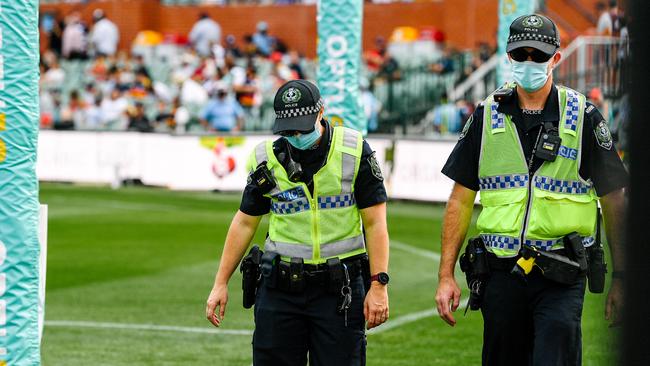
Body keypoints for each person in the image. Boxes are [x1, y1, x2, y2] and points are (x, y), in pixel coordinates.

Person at [434, 14, 627, 365]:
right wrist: (445, 275)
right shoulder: (485, 115)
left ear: (555, 58)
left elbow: (614, 200)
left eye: (538, 55)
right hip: (500, 276)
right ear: (508, 56)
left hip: (561, 273)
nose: (528, 62)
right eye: (520, 54)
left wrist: (624, 276)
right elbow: (460, 201)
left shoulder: (584, 116)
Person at [205, 79, 390, 365]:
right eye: (288, 129)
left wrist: (379, 285)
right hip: (279, 291)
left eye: (301, 127)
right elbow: (244, 222)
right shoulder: (265, 159)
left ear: (321, 112)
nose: (295, 135)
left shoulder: (354, 151)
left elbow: (376, 223)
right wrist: (220, 282)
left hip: (338, 291)